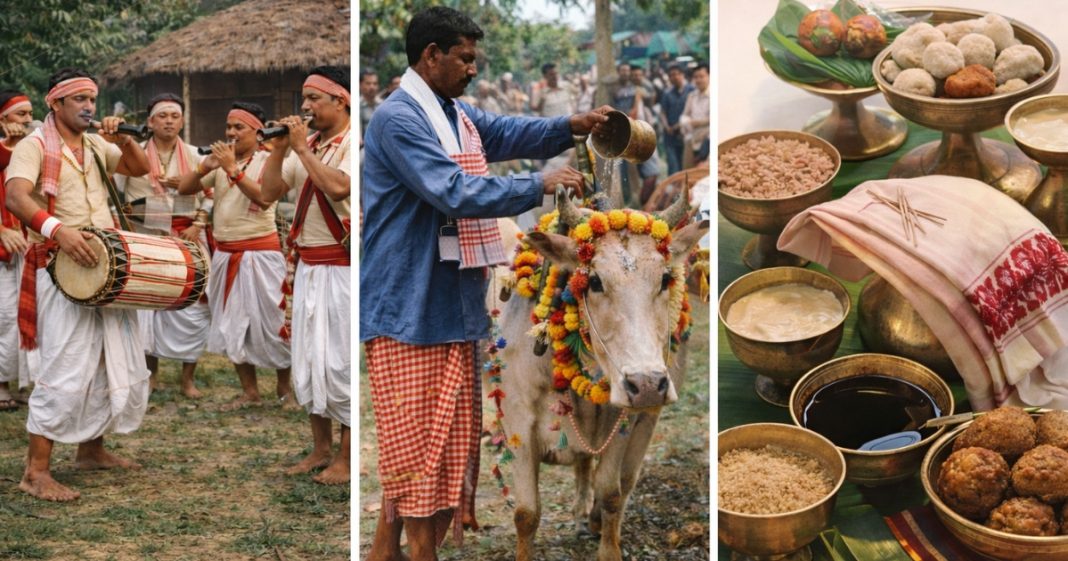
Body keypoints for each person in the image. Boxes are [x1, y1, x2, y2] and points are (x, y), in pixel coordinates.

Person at [360, 6, 610, 560]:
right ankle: (418, 552)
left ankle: (387, 550)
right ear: (432, 56)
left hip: (451, 298)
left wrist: (573, 126)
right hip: (407, 303)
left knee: (445, 442)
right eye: (465, 58)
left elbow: (507, 131)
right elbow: (452, 191)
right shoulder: (400, 118)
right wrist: (538, 185)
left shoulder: (454, 114)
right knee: (417, 445)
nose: (474, 69)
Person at [5, 68, 151, 501]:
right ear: (56, 103)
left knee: (108, 359)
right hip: (59, 267)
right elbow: (16, 197)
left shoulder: (94, 143)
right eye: (80, 99)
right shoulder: (33, 146)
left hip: (102, 267)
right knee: (65, 364)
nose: (90, 106)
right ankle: (36, 471)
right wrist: (58, 231)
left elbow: (141, 169)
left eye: (93, 98)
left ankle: (92, 450)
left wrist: (123, 138)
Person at [261, 66, 352, 486]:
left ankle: (347, 459)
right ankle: (320, 449)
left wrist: (300, 149)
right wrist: (280, 150)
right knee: (311, 361)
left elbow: (337, 188)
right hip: (309, 269)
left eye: (314, 98)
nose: (305, 107)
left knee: (340, 362)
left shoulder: (355, 142)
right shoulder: (310, 144)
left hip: (343, 271)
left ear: (342, 101)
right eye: (304, 99)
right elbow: (267, 193)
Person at [177, 102, 293, 411]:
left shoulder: (270, 159)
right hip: (225, 254)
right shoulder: (218, 163)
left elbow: (264, 198)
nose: (230, 133)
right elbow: (185, 189)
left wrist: (230, 168)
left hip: (261, 254)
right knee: (233, 323)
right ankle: (250, 391)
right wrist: (205, 167)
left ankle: (285, 389)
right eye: (228, 127)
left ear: (258, 132)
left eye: (238, 127)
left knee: (275, 321)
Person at [116, 93, 210, 398]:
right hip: (147, 241)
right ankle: (150, 374)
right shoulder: (133, 154)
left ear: (182, 121)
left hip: (187, 237)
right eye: (162, 116)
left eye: (175, 116)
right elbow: (118, 197)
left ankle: (187, 379)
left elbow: (211, 193)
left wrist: (198, 223)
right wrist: (135, 219)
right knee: (148, 307)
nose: (169, 121)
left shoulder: (197, 156)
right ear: (149, 122)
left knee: (193, 309)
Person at [0, 90, 33, 411]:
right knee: (5, 317)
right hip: (3, 248)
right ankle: (1, 385)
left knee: (29, 315)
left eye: (29, 114)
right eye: (20, 114)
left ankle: (24, 381)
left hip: (29, 245)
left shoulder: (32, 151)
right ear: (2, 120)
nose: (26, 120)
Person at [659, 64, 695, 175]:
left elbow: (693, 113)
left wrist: (679, 125)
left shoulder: (692, 91)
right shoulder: (667, 93)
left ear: (682, 74)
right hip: (670, 136)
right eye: (671, 75)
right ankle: (674, 191)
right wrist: (666, 126)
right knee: (673, 167)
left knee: (686, 168)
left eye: (676, 74)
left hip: (686, 134)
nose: (674, 77)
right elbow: (663, 112)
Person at [680, 62, 710, 165]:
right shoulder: (692, 96)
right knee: (690, 173)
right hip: (693, 140)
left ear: (709, 76)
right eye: (696, 77)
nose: (698, 80)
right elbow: (685, 115)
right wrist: (686, 122)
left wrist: (699, 122)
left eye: (701, 76)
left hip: (708, 141)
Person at [359, 68, 379, 141]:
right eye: (368, 83)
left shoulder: (384, 105)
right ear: (360, 85)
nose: (372, 87)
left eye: (375, 84)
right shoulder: (356, 105)